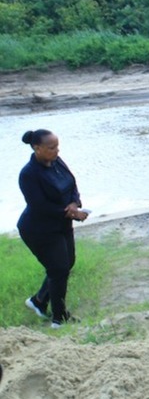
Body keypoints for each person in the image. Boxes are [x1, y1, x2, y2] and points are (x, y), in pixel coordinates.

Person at [18, 129, 90, 328]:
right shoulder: (28, 174)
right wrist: (70, 213)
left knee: (68, 262)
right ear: (37, 148)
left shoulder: (56, 161)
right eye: (51, 148)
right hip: (38, 229)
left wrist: (75, 203)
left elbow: (71, 183)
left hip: (61, 224)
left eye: (57, 146)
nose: (56, 151)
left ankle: (38, 301)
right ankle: (59, 318)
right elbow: (39, 205)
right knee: (58, 270)